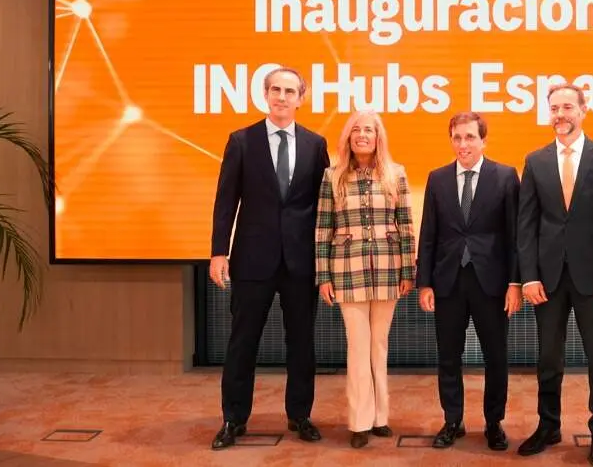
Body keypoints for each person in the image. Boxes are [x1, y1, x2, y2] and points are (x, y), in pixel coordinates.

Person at [209, 67, 329, 450]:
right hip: (251, 260)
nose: (282, 96)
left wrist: (326, 259)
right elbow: (226, 200)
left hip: (301, 262)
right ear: (265, 94)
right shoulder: (241, 141)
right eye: (275, 89)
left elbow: (324, 206)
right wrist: (218, 251)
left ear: (300, 98)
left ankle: (300, 415)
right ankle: (233, 419)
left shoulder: (315, 144)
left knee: (302, 344)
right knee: (242, 342)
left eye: (289, 91)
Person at [516, 83, 593, 466]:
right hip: (546, 279)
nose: (560, 114)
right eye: (554, 108)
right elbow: (526, 226)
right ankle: (548, 425)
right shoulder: (535, 161)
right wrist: (528, 276)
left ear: (583, 110)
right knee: (548, 359)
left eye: (567, 107)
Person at [416, 111, 523, 451]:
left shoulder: (505, 176)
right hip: (447, 282)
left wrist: (515, 284)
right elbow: (428, 234)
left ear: (483, 140)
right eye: (457, 138)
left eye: (470, 137)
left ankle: (494, 422)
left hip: (491, 284)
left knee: (496, 356)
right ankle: (453, 420)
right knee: (448, 355)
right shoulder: (437, 179)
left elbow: (515, 237)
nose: (463, 144)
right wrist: (424, 283)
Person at [314, 108, 416, 449]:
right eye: (356, 130)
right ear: (348, 137)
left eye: (369, 130)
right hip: (347, 270)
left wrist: (408, 271)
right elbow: (323, 229)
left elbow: (406, 226)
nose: (362, 135)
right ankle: (359, 421)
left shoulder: (396, 173)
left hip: (388, 270)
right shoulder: (332, 176)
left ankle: (380, 418)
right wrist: (323, 276)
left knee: (379, 345)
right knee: (358, 347)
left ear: (378, 137)